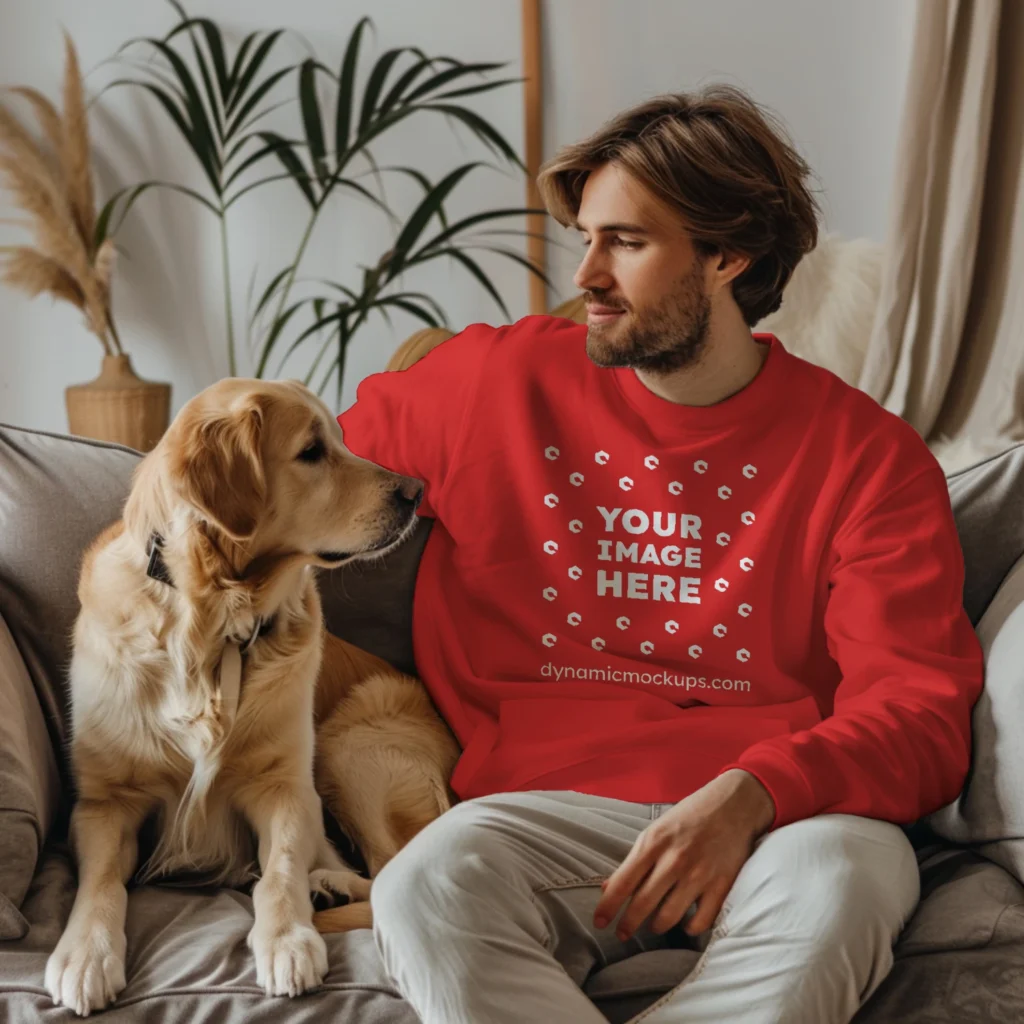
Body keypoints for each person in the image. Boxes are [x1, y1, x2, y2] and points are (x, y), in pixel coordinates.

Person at [336, 85, 984, 1024]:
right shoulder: (491, 384)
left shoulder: (866, 458)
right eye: (587, 238)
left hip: (788, 823)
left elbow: (921, 718)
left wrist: (760, 790)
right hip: (548, 813)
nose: (588, 275)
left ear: (729, 256)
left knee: (845, 876)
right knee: (425, 885)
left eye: (627, 244)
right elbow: (291, 472)